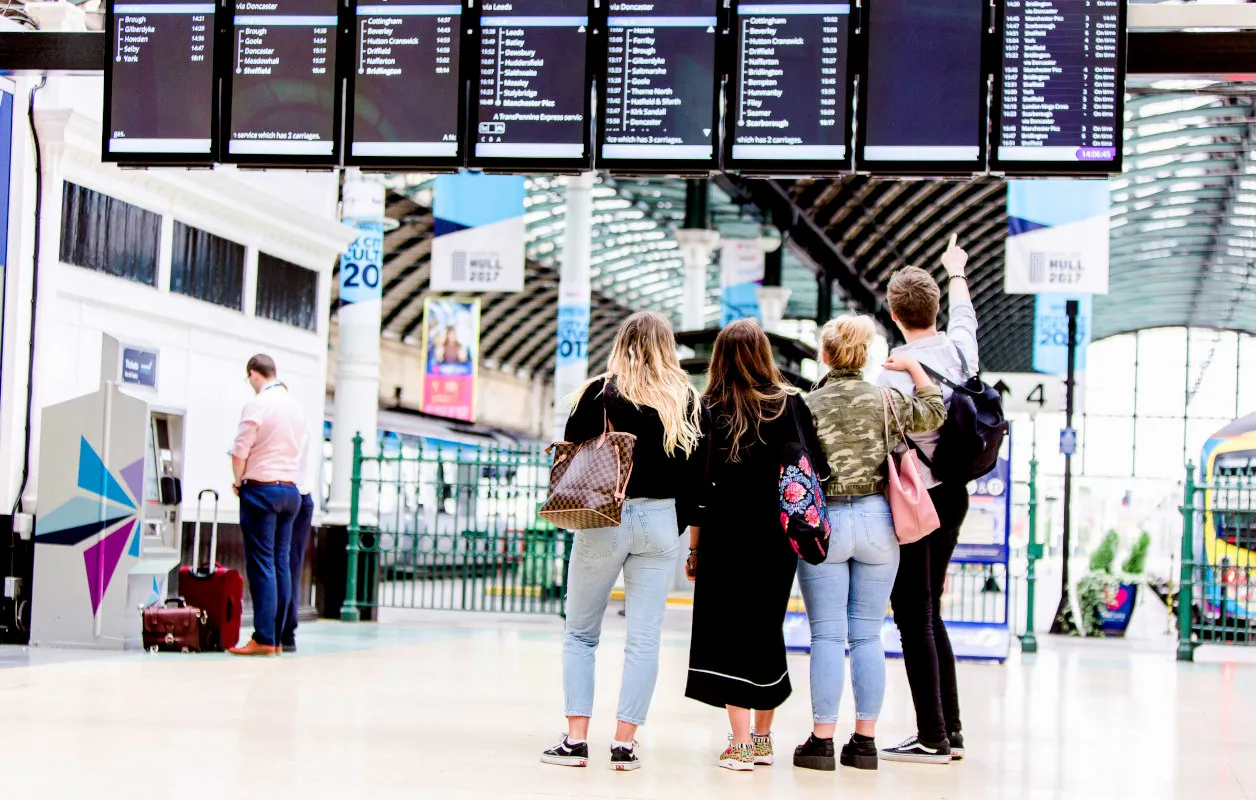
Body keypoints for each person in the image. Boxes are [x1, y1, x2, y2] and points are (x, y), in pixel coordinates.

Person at [540, 311, 705, 772]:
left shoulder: (595, 394)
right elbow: (697, 478)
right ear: (667, 347)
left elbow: (572, 462)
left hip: (602, 520)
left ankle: (575, 742)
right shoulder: (685, 401)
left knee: (580, 632)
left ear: (621, 344)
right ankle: (625, 744)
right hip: (659, 520)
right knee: (644, 639)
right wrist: (676, 526)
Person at [796, 315, 946, 771]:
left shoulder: (808, 404)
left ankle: (821, 742)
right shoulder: (887, 399)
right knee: (866, 635)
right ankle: (864, 743)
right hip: (880, 525)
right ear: (866, 357)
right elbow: (935, 411)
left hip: (827, 525)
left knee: (826, 634)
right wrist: (917, 370)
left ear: (825, 355)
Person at [684, 320, 827, 772]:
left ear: (719, 359)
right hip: (776, 538)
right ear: (764, 356)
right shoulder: (790, 404)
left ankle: (741, 743)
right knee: (766, 629)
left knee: (726, 634)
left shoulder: (710, 409)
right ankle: (762, 739)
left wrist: (695, 548)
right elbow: (813, 468)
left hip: (724, 537)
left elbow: (699, 490)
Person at [876, 236, 978, 764]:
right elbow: (966, 313)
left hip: (918, 500)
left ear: (894, 314)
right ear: (934, 308)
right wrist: (955, 269)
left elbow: (886, 441)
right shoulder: (961, 349)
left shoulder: (893, 370)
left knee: (912, 614)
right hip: (956, 493)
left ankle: (932, 736)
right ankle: (950, 728)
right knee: (929, 610)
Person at [229, 354, 307, 657]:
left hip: (261, 491)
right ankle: (278, 637)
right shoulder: (296, 406)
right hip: (291, 493)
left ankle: (263, 637)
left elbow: (239, 452)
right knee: (280, 564)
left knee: (262, 564)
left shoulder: (258, 404)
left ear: (253, 374)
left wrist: (238, 481)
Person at [280, 486, 315, 653]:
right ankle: (286, 634)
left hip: (276, 492)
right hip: (302, 495)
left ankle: (272, 633)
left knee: (273, 565)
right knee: (291, 566)